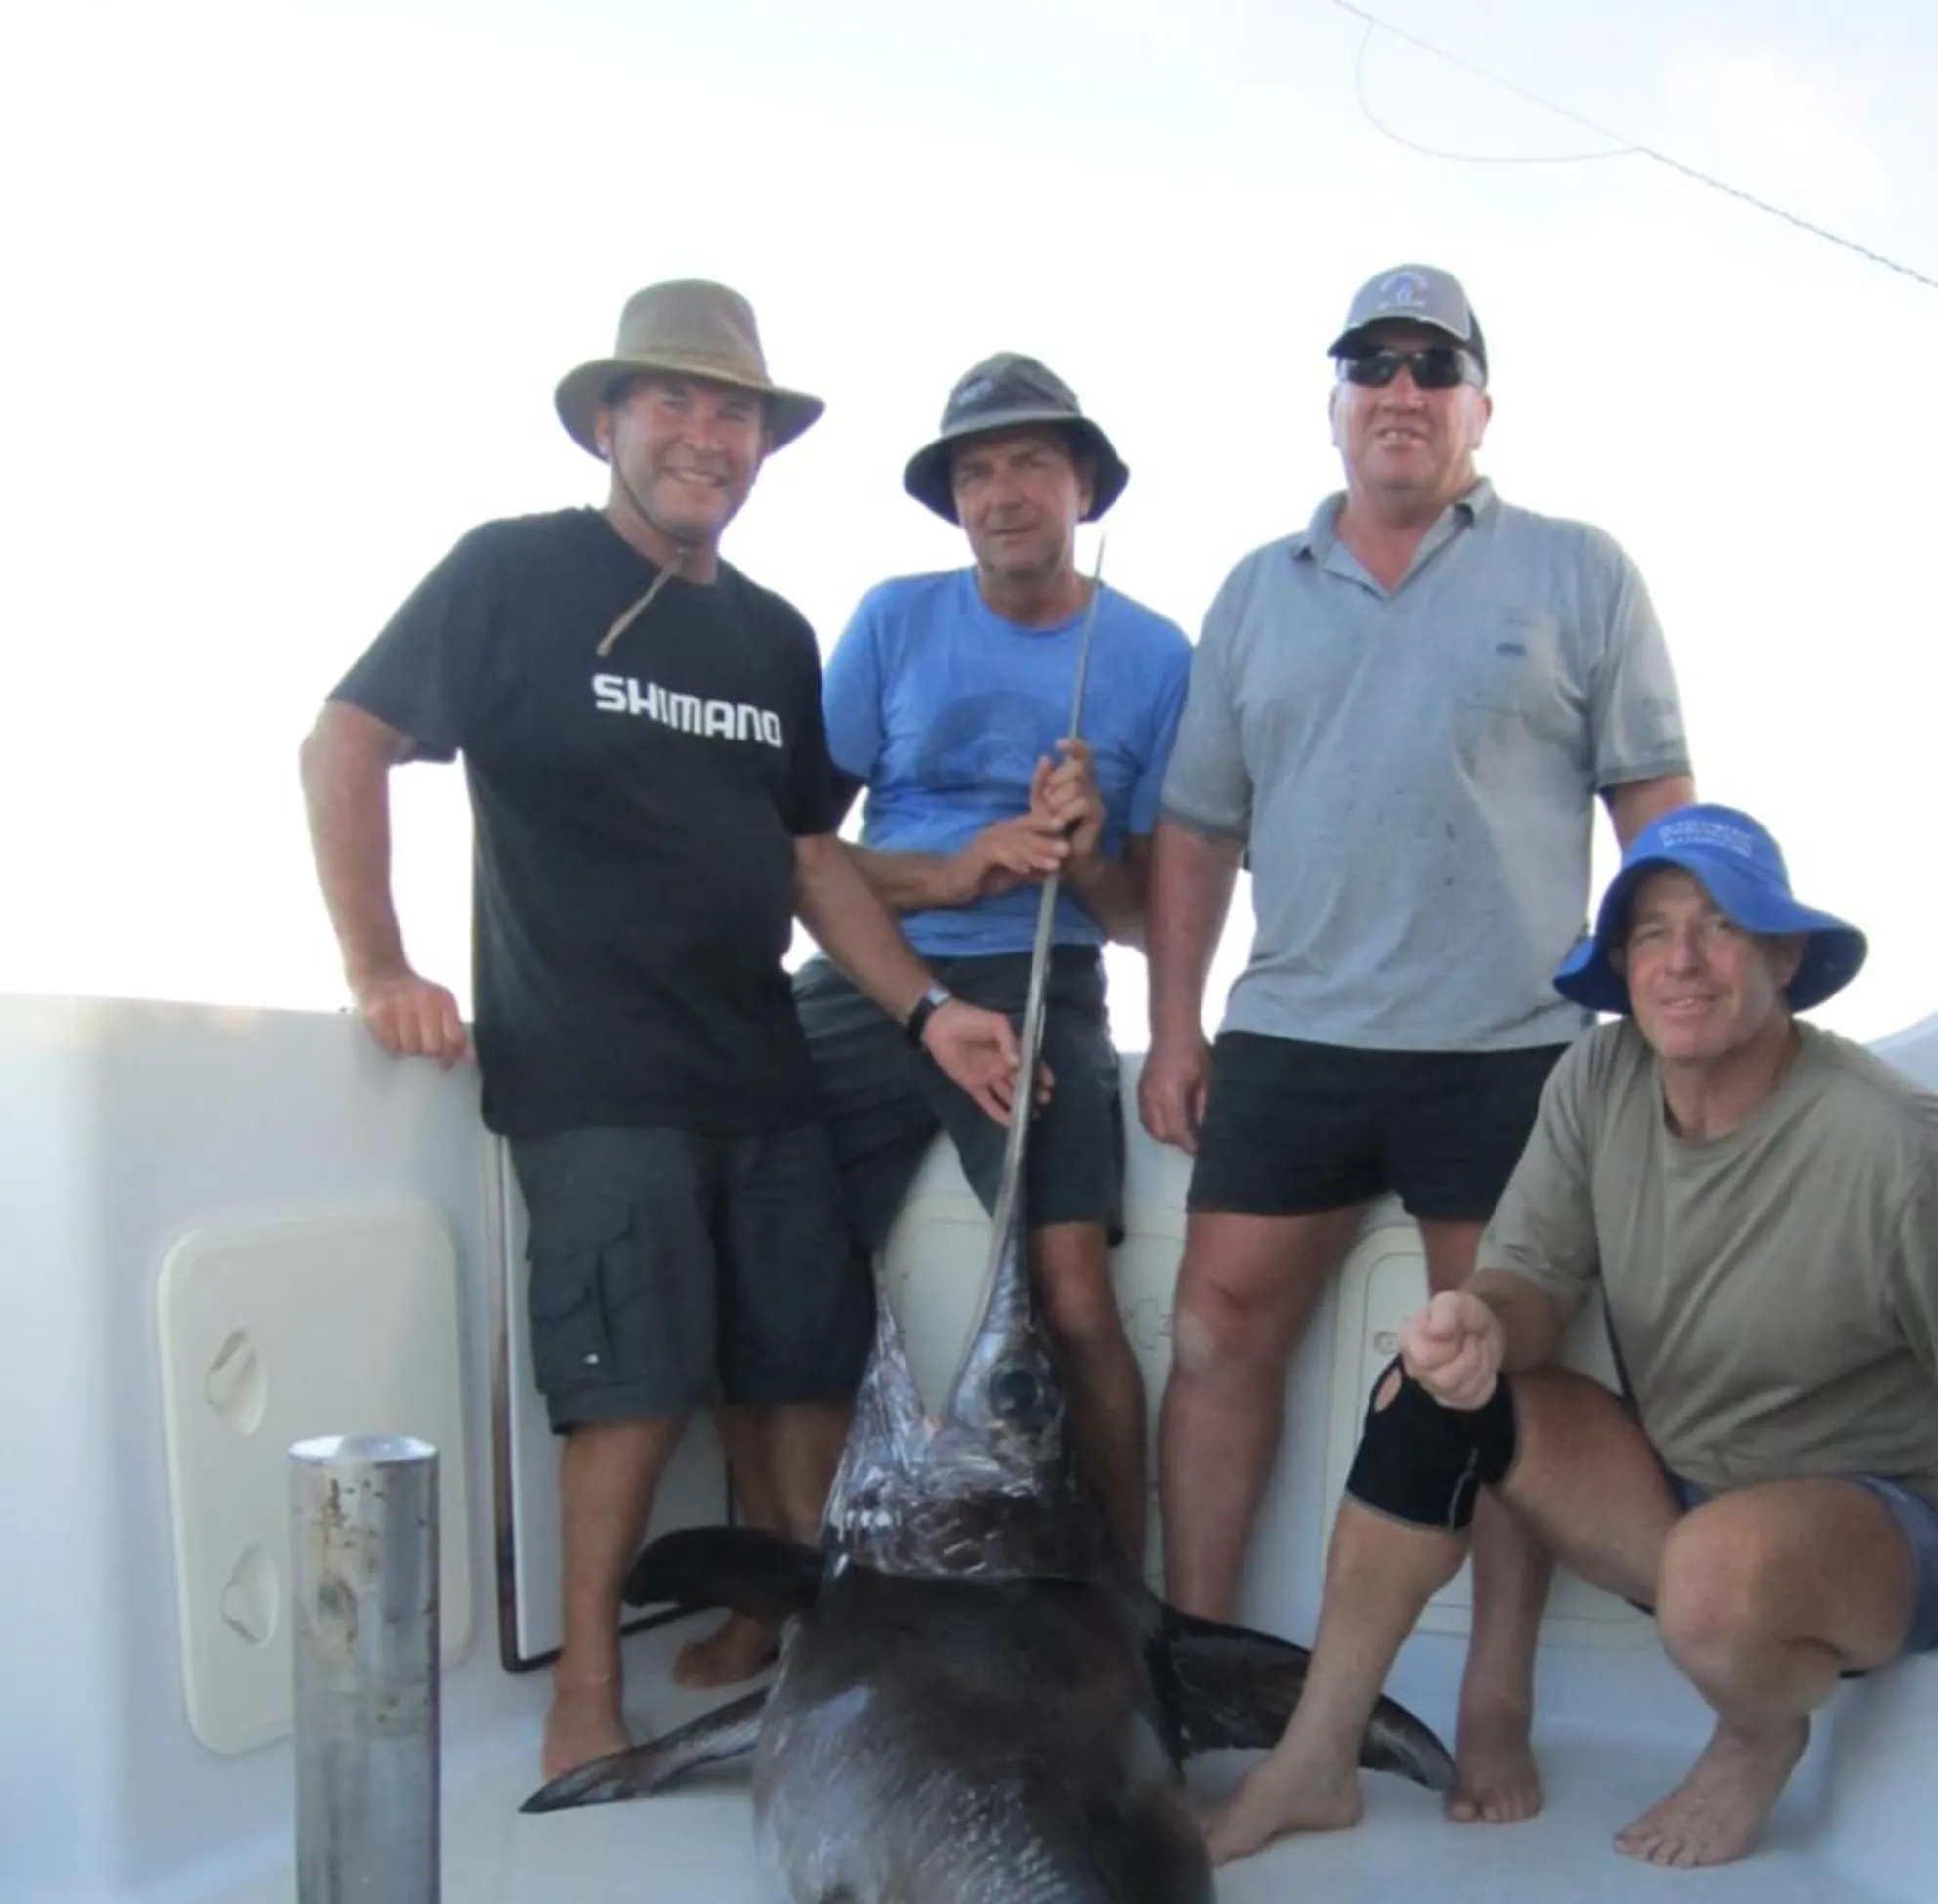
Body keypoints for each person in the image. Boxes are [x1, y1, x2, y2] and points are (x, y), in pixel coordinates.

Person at [299, 280, 1026, 1778]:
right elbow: (347, 738)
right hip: (588, 1067)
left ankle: (786, 1637)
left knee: (797, 1370)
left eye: (736, 412)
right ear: (610, 422)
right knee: (625, 1390)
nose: (708, 435)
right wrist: (381, 964)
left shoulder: (768, 634)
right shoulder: (513, 574)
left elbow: (809, 857)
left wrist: (932, 1009)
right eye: (677, 404)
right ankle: (583, 1691)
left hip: (755, 1060)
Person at [1206, 804, 1938, 1874]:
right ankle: (1316, 1757)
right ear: (1621, 966)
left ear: (1783, 956)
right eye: (1650, 933)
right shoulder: (1598, 1081)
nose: (1682, 961)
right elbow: (1534, 1278)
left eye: (1720, 926)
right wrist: (1480, 1322)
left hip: (1893, 1532)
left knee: (1715, 1572)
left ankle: (1760, 1733)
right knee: (1429, 1392)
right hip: (1691, 1496)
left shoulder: (1898, 1148)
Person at [1139, 261, 1694, 1822]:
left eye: (1431, 367)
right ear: (1333, 407)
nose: (1400, 390)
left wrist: (1663, 1007)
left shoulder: (1577, 570)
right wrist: (1173, 1023)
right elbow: (1193, 829)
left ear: (1477, 408)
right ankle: (1196, 1672)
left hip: (1511, 1050)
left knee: (1495, 1375)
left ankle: (1492, 1691)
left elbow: (1660, 811)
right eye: (1370, 364)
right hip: (1294, 1033)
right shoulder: (1254, 589)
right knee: (1211, 1338)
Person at [778, 354, 1190, 1570]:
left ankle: (1121, 1604)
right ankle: (796, 1591)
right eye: (974, 472)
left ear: (1082, 487)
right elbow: (800, 851)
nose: (1002, 492)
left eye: (1029, 463)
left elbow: (1133, 910)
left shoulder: (1158, 658)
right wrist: (954, 868)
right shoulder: (892, 620)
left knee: (1070, 1296)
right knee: (778, 1263)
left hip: (1040, 976)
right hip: (872, 974)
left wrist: (1092, 839)